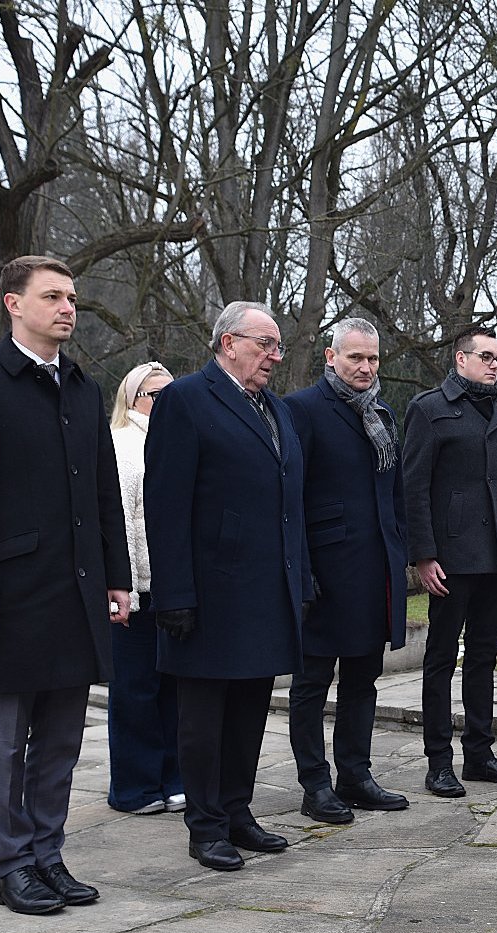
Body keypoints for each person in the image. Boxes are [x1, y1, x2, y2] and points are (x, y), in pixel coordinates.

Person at [0, 255, 131, 915]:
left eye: (72, 297)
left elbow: (104, 493)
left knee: (62, 742)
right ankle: (11, 865)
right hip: (9, 597)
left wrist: (118, 579)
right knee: (4, 743)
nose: (68, 308)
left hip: (76, 592)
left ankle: (48, 855)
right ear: (13, 304)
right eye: (53, 296)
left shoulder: (81, 386)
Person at [145, 301, 311, 872]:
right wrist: (174, 595)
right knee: (204, 718)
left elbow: (292, 505)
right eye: (264, 343)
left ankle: (238, 812)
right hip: (208, 593)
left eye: (278, 346)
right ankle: (206, 824)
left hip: (266, 590)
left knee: (250, 710)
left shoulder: (276, 411)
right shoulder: (185, 400)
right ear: (227, 343)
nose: (274, 356)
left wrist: (301, 579)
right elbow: (164, 506)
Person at [284, 319, 411, 823]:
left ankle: (355, 775)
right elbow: (291, 498)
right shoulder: (302, 409)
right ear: (330, 357)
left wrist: (399, 549)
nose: (365, 367)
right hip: (324, 572)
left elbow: (393, 490)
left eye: (373, 358)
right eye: (355, 357)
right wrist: (302, 572)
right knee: (311, 685)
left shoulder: (381, 412)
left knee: (363, 680)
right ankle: (315, 784)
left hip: (374, 567)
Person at [402, 327, 497, 796]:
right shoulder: (429, 409)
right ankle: (439, 761)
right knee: (440, 659)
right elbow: (413, 487)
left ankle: (480, 753)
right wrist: (423, 554)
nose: (495, 364)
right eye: (486, 356)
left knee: (484, 659)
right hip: (451, 559)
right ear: (461, 360)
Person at [106, 361, 184, 816]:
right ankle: (134, 787)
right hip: (134, 590)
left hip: (175, 590)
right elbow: (117, 523)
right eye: (155, 395)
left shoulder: (179, 439)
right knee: (134, 691)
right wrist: (125, 588)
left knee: (176, 690)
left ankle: (174, 778)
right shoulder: (119, 444)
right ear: (133, 399)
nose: (163, 403)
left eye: (170, 394)